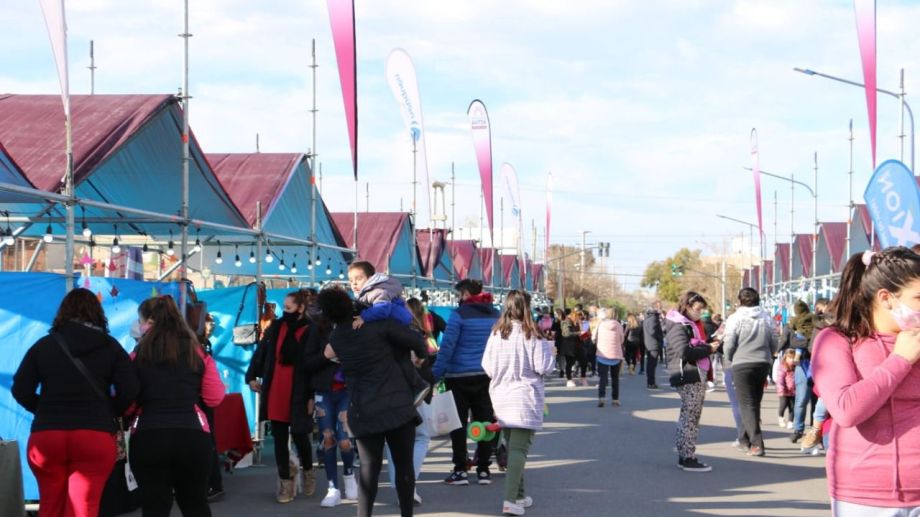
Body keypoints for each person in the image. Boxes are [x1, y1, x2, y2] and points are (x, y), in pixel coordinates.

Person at [12, 288, 139, 517]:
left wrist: (44, 409)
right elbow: (130, 389)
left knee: (50, 505)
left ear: (63, 313)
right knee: (83, 507)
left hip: (47, 436)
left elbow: (21, 389)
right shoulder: (111, 347)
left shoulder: (44, 346)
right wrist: (110, 411)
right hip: (94, 434)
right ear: (98, 314)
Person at [812, 247, 920, 514]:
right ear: (886, 298)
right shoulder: (837, 340)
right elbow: (846, 410)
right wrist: (900, 360)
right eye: (919, 297)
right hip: (865, 494)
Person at [317, 286, 428, 517]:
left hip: (363, 411)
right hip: (397, 406)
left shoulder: (337, 338)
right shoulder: (380, 325)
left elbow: (326, 354)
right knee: (404, 467)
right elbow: (418, 342)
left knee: (369, 471)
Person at [130, 295, 225, 516]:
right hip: (192, 435)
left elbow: (128, 399)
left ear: (149, 322)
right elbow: (214, 397)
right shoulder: (197, 352)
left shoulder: (137, 354)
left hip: (148, 435)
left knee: (154, 507)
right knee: (195, 504)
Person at [481, 291, 554, 516]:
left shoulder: (496, 334)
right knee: (519, 450)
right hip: (524, 397)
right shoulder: (532, 335)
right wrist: (551, 351)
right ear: (526, 307)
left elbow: (487, 367)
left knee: (514, 448)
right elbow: (544, 367)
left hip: (501, 397)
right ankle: (510, 500)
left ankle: (519, 495)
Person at [245, 290, 317, 503]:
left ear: (300, 308)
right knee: (279, 438)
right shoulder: (277, 326)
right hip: (276, 387)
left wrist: (311, 396)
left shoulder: (311, 330)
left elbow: (313, 366)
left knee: (301, 435)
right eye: (284, 307)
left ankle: (308, 470)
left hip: (299, 390)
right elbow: (261, 352)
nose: (285, 311)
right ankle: (285, 481)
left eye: (288, 308)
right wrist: (252, 376)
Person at [432, 279, 501, 486]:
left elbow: (448, 346)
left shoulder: (458, 315)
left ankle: (460, 470)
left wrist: (435, 374)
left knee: (458, 424)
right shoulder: (495, 314)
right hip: (485, 375)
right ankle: (484, 470)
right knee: (485, 422)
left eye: (459, 294)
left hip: (458, 376)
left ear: (465, 294)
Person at [348, 261, 431, 406]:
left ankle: (418, 385)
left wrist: (363, 317)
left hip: (398, 327)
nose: (354, 283)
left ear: (370, 278)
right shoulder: (370, 292)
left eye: (358, 278)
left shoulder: (376, 291)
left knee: (400, 358)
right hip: (397, 327)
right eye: (351, 280)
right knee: (399, 360)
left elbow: (382, 309)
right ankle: (415, 387)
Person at [385, 298, 437, 505]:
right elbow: (422, 360)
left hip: (389, 391)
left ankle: (401, 485)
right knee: (421, 436)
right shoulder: (414, 332)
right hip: (413, 389)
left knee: (394, 440)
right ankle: (407, 484)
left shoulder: (382, 330)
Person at [665, 291, 721, 472]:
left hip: (694, 373)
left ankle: (687, 455)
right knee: (689, 417)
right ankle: (687, 457)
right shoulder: (678, 325)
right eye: (698, 309)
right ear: (687, 307)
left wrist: (709, 344)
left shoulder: (689, 324)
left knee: (691, 417)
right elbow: (685, 352)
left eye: (702, 309)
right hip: (688, 374)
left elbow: (694, 345)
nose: (700, 313)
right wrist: (708, 349)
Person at [721, 288, 778, 457]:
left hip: (742, 362)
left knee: (746, 404)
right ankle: (744, 439)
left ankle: (757, 444)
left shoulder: (735, 318)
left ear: (740, 301)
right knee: (754, 403)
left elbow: (729, 343)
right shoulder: (766, 317)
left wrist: (730, 357)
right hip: (762, 362)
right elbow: (774, 340)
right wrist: (769, 354)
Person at [785, 300, 817, 443]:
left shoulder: (816, 323)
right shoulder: (795, 324)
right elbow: (792, 341)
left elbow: (793, 342)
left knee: (810, 400)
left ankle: (813, 430)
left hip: (813, 364)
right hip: (805, 364)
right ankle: (800, 429)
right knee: (803, 399)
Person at [593, 308, 625, 407]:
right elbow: (622, 340)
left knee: (603, 378)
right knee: (615, 378)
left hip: (602, 354)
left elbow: (593, 337)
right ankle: (615, 399)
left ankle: (601, 398)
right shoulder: (618, 325)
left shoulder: (600, 324)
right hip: (615, 355)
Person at [560, 312, 586, 386]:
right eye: (578, 317)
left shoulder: (579, 323)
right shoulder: (566, 323)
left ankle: (583, 378)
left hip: (579, 346)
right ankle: (569, 379)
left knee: (584, 361)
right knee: (570, 363)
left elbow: (583, 334)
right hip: (569, 347)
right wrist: (579, 333)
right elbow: (566, 334)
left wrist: (584, 334)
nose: (580, 319)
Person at [642, 302, 663, 389]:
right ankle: (651, 383)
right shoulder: (653, 318)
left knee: (650, 365)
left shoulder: (648, 317)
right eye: (659, 307)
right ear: (655, 308)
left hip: (649, 343)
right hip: (653, 344)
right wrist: (659, 338)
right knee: (651, 365)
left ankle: (650, 382)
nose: (661, 309)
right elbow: (652, 331)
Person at [774, 349, 797, 429]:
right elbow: (780, 379)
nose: (791, 360)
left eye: (793, 358)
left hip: (793, 391)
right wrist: (781, 389)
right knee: (783, 405)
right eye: (789, 358)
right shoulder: (782, 367)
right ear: (785, 358)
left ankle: (791, 421)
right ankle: (781, 417)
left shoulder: (796, 367)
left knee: (792, 407)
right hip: (783, 391)